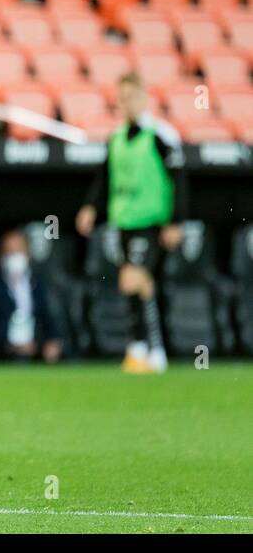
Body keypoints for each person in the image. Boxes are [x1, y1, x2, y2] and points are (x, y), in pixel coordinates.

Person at [76, 71, 187, 374]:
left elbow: (179, 180)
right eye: (120, 98)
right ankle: (153, 349)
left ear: (143, 97)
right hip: (123, 221)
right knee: (141, 286)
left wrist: (175, 221)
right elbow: (105, 178)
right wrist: (90, 208)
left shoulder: (162, 135)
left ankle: (140, 345)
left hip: (150, 222)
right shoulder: (117, 138)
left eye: (129, 97)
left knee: (131, 279)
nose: (124, 103)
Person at [0, 229, 63, 363]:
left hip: (36, 354)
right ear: (0, 256)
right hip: (0, 356)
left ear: (28, 253)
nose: (14, 256)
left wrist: (50, 342)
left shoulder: (40, 284)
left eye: (18, 250)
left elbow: (49, 319)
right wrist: (9, 345)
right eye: (9, 252)